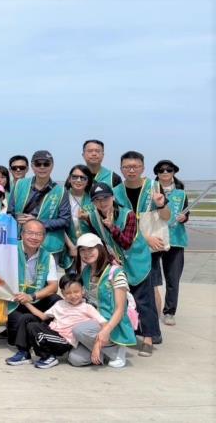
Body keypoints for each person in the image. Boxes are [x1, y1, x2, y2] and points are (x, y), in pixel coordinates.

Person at [81, 182, 160, 357]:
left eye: (106, 198)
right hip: (117, 263)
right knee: (120, 301)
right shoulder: (94, 217)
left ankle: (149, 338)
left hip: (137, 261)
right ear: (93, 202)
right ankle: (125, 334)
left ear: (113, 197)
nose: (102, 203)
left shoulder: (128, 215)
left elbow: (126, 242)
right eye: (97, 200)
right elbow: (100, 242)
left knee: (143, 301)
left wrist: (111, 226)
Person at [112, 150, 170, 348]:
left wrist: (161, 205)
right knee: (131, 290)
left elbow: (167, 217)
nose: (131, 170)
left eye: (135, 167)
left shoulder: (154, 187)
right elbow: (119, 221)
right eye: (127, 167)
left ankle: (152, 333)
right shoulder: (116, 191)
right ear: (121, 169)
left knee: (151, 289)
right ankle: (140, 328)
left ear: (143, 168)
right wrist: (144, 238)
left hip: (151, 249)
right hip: (128, 248)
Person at [69, 233, 136, 368]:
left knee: (79, 330)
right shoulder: (86, 271)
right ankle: (103, 350)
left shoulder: (116, 273)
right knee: (75, 359)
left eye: (91, 249)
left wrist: (105, 331)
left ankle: (116, 349)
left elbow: (120, 309)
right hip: (94, 320)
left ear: (100, 249)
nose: (87, 253)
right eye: (82, 250)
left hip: (112, 322)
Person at [18, 275, 108, 369]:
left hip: (64, 341)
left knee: (34, 328)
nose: (73, 296)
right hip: (53, 333)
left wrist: (97, 345)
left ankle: (48, 356)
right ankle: (23, 353)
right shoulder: (60, 304)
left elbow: (104, 324)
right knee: (29, 322)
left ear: (82, 290)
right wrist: (26, 303)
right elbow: (43, 316)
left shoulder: (87, 308)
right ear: (63, 293)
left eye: (76, 292)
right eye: (68, 293)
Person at [3, 219, 61, 364]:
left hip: (36, 299)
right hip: (14, 302)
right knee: (15, 334)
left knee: (56, 300)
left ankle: (50, 336)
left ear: (44, 237)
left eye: (39, 234)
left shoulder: (47, 256)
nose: (34, 237)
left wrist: (32, 296)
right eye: (30, 233)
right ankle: (26, 346)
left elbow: (53, 286)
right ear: (21, 234)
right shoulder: (9, 250)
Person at [9, 150, 71, 259]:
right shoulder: (20, 184)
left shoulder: (61, 191)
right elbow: (10, 213)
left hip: (48, 246)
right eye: (38, 164)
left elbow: (65, 220)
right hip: (21, 242)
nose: (42, 167)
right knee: (19, 276)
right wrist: (17, 218)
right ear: (32, 166)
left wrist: (37, 221)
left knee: (47, 275)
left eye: (46, 164)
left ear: (52, 166)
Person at [153, 160, 188, 326]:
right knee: (151, 279)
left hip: (175, 240)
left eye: (169, 169)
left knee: (173, 279)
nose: (165, 172)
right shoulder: (151, 190)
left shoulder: (181, 193)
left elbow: (187, 212)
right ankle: (151, 308)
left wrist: (184, 217)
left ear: (174, 172)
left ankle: (169, 312)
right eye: (161, 170)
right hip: (155, 239)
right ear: (157, 173)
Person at [60, 165, 94, 272]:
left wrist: (89, 218)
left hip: (91, 248)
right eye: (74, 177)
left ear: (88, 181)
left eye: (83, 178)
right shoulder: (62, 196)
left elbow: (99, 226)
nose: (78, 180)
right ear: (69, 179)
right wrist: (71, 247)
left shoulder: (93, 199)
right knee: (72, 283)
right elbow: (59, 225)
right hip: (69, 249)